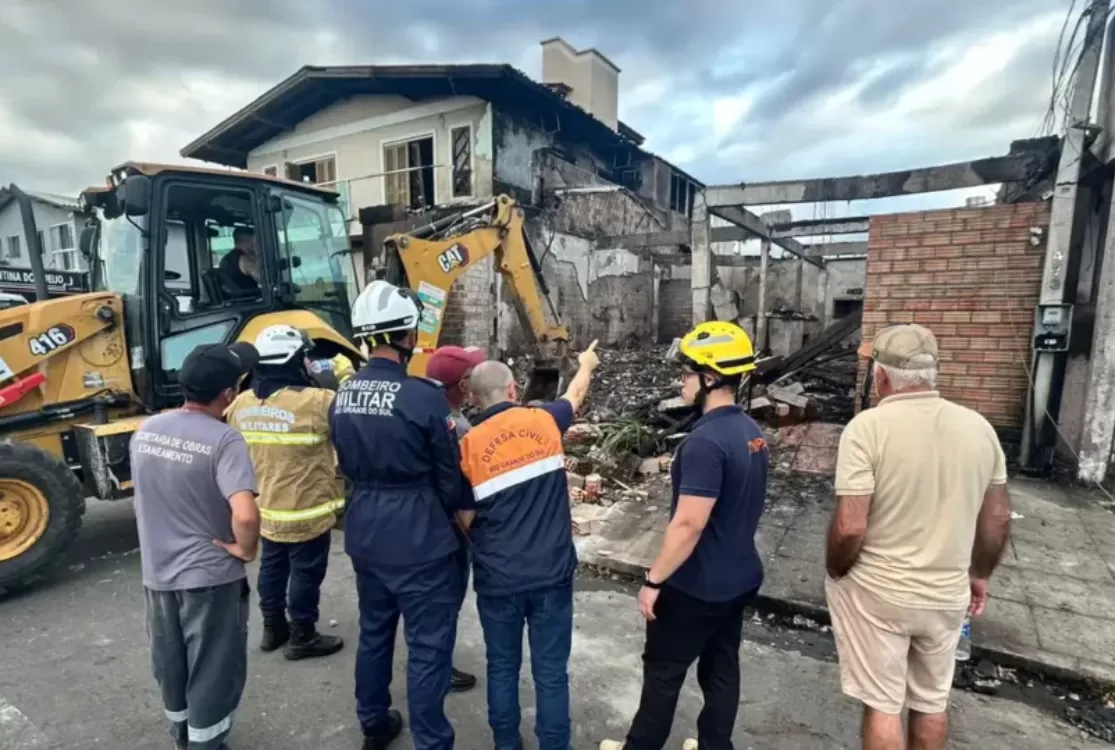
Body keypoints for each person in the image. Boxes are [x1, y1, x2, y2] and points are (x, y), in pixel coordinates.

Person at [825, 324, 1012, 750]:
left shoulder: (867, 428)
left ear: (881, 377)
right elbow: (998, 517)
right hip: (946, 594)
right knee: (931, 701)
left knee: (883, 704)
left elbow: (850, 526)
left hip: (880, 593)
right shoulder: (979, 428)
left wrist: (836, 569)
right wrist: (979, 575)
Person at [600, 321, 768, 750]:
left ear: (710, 378)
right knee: (721, 667)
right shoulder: (751, 432)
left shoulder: (705, 443)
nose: (681, 381)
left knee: (663, 672)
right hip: (740, 577)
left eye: (687, 373)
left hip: (697, 584)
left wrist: (654, 580)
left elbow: (689, 524)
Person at [330, 280, 474, 750]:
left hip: (365, 529)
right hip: (419, 536)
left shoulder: (342, 394)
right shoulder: (423, 397)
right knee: (428, 647)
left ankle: (373, 723)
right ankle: (431, 741)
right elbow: (449, 477)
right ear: (407, 335)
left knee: (374, 631)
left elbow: (344, 461)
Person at [457, 341, 600, 750]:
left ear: (474, 399)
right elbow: (575, 394)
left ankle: (506, 744)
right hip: (551, 574)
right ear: (513, 390)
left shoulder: (467, 447)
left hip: (498, 579)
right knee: (551, 673)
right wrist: (586, 363)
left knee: (501, 667)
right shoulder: (544, 420)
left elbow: (464, 519)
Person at [132, 341, 261, 750]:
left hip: (157, 575)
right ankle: (207, 744)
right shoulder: (224, 440)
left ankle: (182, 737)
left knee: (171, 664)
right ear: (228, 394)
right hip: (209, 577)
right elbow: (245, 515)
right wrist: (246, 550)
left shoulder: (146, 430)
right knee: (213, 668)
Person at [225, 324, 344, 661]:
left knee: (272, 566)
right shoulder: (319, 401)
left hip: (264, 508)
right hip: (308, 509)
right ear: (294, 359)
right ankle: (303, 635)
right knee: (306, 571)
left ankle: (272, 628)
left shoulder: (241, 403)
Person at [425, 345, 491, 693]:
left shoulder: (421, 413)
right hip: (452, 527)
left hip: (420, 522)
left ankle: (433, 660)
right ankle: (439, 667)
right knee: (446, 601)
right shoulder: (460, 427)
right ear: (464, 385)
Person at [218, 227, 260, 297]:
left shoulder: (225, 259)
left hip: (236, 300)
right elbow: (263, 278)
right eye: (257, 241)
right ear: (249, 241)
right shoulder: (245, 259)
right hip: (250, 299)